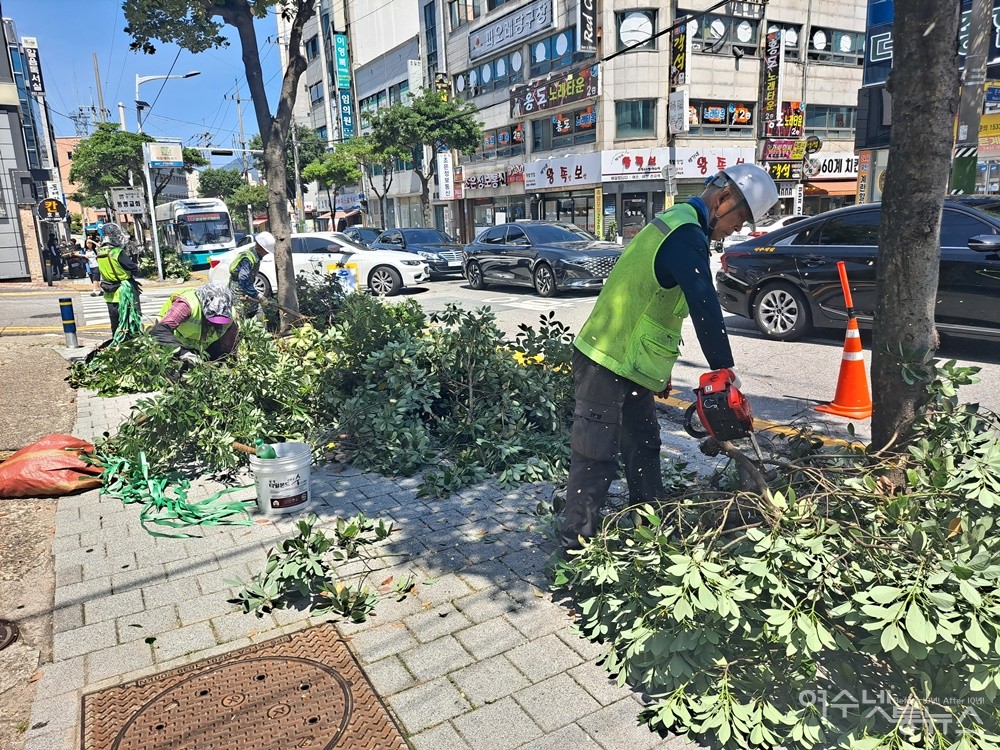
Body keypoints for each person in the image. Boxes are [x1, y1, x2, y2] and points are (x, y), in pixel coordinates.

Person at [560, 163, 779, 552]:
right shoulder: (685, 233)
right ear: (724, 198)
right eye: (741, 218)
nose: (737, 229)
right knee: (596, 454)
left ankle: (651, 524)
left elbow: (654, 305)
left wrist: (656, 372)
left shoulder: (678, 222)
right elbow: (703, 303)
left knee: (644, 443)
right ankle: (574, 544)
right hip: (604, 359)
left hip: (631, 362)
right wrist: (722, 369)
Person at [150, 281, 239, 365]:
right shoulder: (187, 305)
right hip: (172, 342)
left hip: (203, 347)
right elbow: (159, 331)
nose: (216, 324)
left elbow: (228, 347)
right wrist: (182, 352)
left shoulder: (230, 316)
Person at [95, 223, 142, 335]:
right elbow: (131, 267)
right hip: (124, 291)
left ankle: (116, 340)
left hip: (108, 292)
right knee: (130, 321)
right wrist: (137, 269)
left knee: (115, 322)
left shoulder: (100, 252)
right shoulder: (117, 252)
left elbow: (98, 271)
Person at [228, 231, 274, 319]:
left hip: (248, 289)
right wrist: (257, 295)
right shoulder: (247, 258)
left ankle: (259, 328)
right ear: (259, 247)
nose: (267, 253)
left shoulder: (255, 256)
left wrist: (254, 294)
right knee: (240, 317)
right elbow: (243, 279)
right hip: (238, 291)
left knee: (258, 313)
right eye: (266, 251)